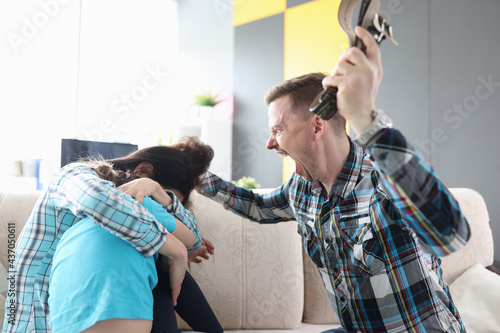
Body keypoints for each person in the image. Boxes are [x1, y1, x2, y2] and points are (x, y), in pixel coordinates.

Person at [197, 26, 471, 332]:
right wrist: (196, 176)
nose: (270, 144)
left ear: (317, 126)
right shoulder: (301, 191)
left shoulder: (384, 183)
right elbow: (259, 206)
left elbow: (451, 235)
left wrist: (367, 120)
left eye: (277, 130)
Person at [2, 137, 222, 333]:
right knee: (155, 250)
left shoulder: (143, 202)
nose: (154, 208)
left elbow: (191, 236)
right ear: (142, 170)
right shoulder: (72, 175)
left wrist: (156, 192)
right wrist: (174, 248)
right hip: (40, 322)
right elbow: (95, 200)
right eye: (160, 197)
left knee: (157, 258)